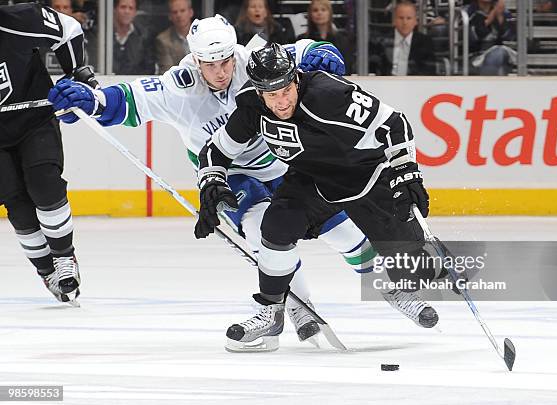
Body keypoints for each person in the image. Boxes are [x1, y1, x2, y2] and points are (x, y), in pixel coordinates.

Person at [47, 15, 356, 345]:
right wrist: (90, 100)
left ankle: (409, 289)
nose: (221, 72)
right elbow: (125, 98)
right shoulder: (178, 86)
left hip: (282, 163)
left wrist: (323, 51)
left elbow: (305, 49)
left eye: (225, 61)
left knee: (344, 230)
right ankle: (297, 307)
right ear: (195, 59)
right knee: (258, 227)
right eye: (210, 64)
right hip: (227, 173)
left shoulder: (253, 59)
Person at [196, 43, 442, 352]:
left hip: (363, 176)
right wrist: (211, 181)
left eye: (286, 90)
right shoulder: (251, 107)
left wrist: (408, 173)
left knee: (414, 262)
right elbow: (215, 150)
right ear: (259, 93)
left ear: (295, 78)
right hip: (310, 180)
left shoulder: (330, 94)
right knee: (275, 227)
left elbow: (395, 124)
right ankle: (271, 310)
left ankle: (398, 289)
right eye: (272, 95)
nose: (281, 101)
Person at [0, 3, 94, 304]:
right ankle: (46, 270)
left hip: (34, 120)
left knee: (45, 184)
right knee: (16, 204)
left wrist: (78, 73)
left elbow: (69, 29)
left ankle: (65, 258)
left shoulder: (19, 20)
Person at [370, 0, 436, 76]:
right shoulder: (382, 42)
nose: (405, 22)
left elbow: (429, 72)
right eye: (401, 18)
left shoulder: (426, 42)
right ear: (394, 20)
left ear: (415, 21)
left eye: (409, 18)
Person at [296, 0, 354, 74]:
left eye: (323, 10)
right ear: (310, 14)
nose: (319, 13)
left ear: (330, 13)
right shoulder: (302, 40)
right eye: (315, 10)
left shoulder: (342, 40)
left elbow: (347, 67)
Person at [467, 0, 516, 76]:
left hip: (501, 55)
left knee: (499, 53)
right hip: (475, 57)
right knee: (498, 54)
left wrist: (500, 17)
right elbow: (474, 38)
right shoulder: (467, 12)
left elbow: (510, 37)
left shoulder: (505, 12)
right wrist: (492, 15)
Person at [113, 0, 155, 74]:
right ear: (114, 9)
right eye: (123, 7)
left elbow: (149, 69)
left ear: (135, 12)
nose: (127, 11)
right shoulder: (103, 34)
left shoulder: (144, 37)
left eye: (131, 8)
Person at [155, 0, 194, 73]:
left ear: (191, 12)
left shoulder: (202, 35)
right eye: (175, 12)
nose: (179, 15)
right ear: (170, 16)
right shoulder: (163, 40)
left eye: (182, 11)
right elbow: (167, 72)